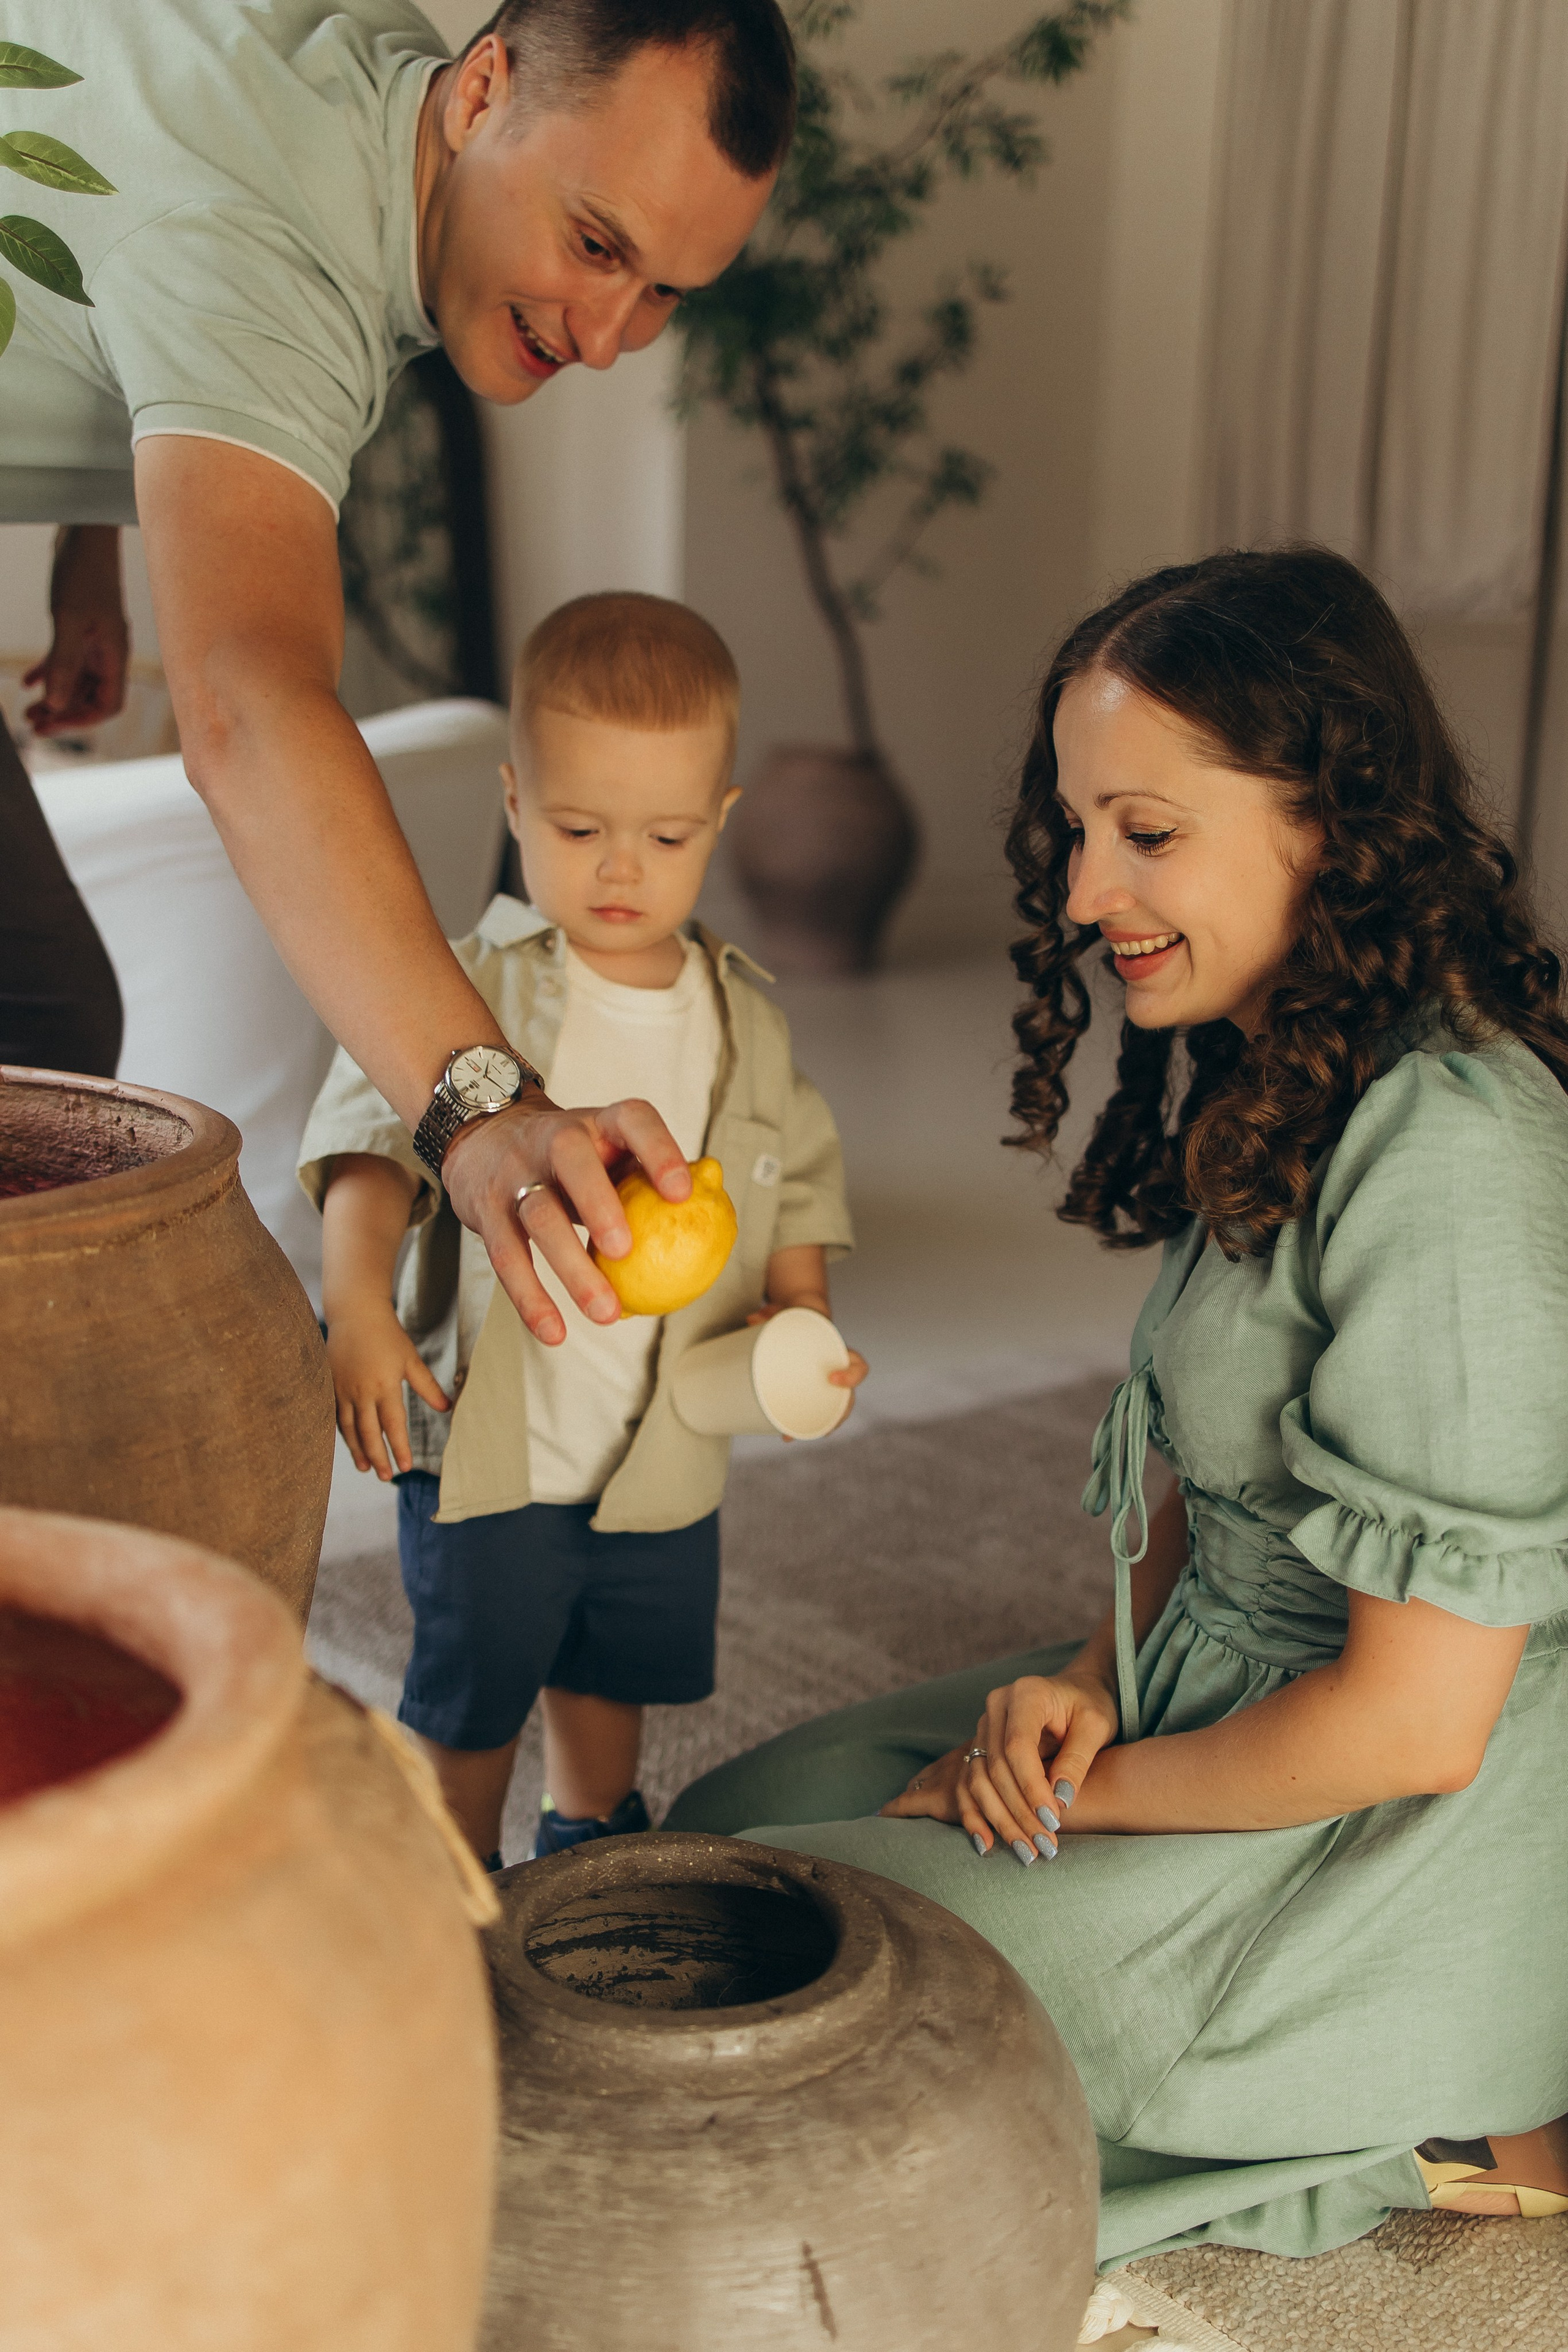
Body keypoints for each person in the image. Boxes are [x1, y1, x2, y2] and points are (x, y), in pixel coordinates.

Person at [667, 546, 1568, 2271]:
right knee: (730, 1842)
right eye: (1080, 833)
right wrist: (1081, 1688)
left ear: (1330, 815)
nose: (1086, 892)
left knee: (781, 1993)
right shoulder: (1288, 1065)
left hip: (1381, 1842)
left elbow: (1415, 1731)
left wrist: (1086, 1798)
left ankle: (1423, 2104)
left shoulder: (1457, 1151)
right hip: (1210, 1695)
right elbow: (1193, 1480)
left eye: (1145, 833)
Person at [1, 0, 793, 1352]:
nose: (605, 336)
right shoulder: (276, 263)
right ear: (484, 89)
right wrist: (481, 1109)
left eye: (661, 290)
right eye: (596, 245)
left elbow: (125, 165)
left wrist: (95, 558)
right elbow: (250, 709)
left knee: (42, 1017)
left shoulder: (364, 58)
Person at [298, 592, 865, 1866]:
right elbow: (375, 1145)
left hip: (655, 1449)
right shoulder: (467, 994)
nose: (620, 867)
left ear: (718, 824)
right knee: (475, 1683)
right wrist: (360, 1310)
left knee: (611, 1660)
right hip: (497, 1444)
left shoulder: (748, 1026)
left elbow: (800, 1180)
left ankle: (588, 1841)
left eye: (664, 835)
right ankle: (458, 1874)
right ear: (512, 805)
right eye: (577, 826)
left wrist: (801, 1308)